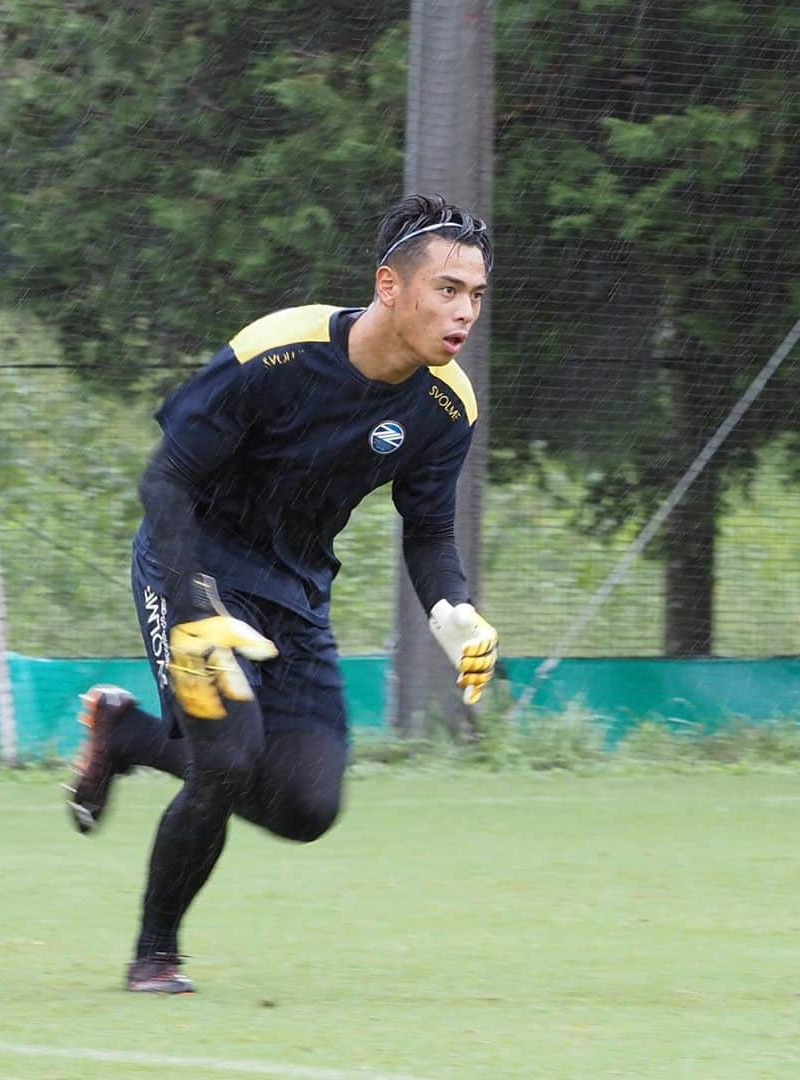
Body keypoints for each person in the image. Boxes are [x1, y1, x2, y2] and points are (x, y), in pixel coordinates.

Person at [66, 192, 500, 993]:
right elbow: (165, 482)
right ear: (390, 286)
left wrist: (454, 613)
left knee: (306, 807)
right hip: (187, 563)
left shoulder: (447, 406)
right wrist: (195, 607)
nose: (464, 311)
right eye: (448, 289)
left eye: (475, 294)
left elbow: (429, 533)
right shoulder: (279, 352)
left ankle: (125, 735)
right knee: (227, 761)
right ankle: (154, 955)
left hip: (294, 594)